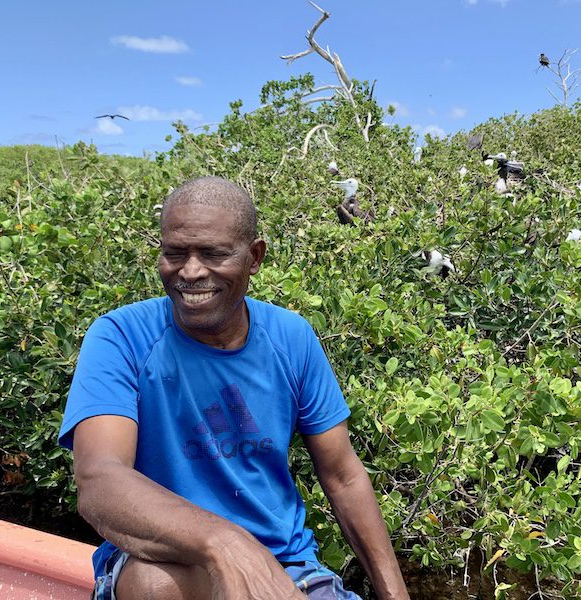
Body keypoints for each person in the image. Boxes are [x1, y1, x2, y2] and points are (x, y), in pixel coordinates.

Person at [58, 176, 410, 600]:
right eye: (174, 253)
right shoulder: (121, 336)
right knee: (155, 586)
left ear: (254, 256)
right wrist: (225, 543)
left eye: (213, 254)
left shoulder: (291, 337)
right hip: (167, 561)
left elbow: (343, 475)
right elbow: (100, 480)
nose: (189, 272)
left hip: (286, 564)